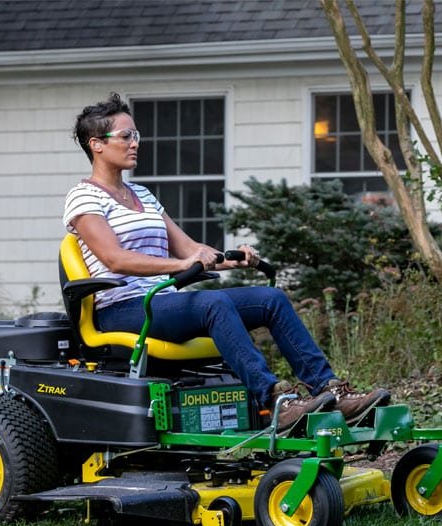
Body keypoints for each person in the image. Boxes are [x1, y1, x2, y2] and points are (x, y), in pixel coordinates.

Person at [63, 92, 390, 432]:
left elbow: (188, 248)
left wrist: (232, 260)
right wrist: (180, 267)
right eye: (126, 136)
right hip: (124, 309)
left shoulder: (142, 195)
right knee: (213, 302)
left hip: (162, 301)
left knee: (271, 300)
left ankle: (330, 390)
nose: (135, 143)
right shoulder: (84, 197)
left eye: (136, 135)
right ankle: (275, 402)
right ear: (97, 144)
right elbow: (114, 259)